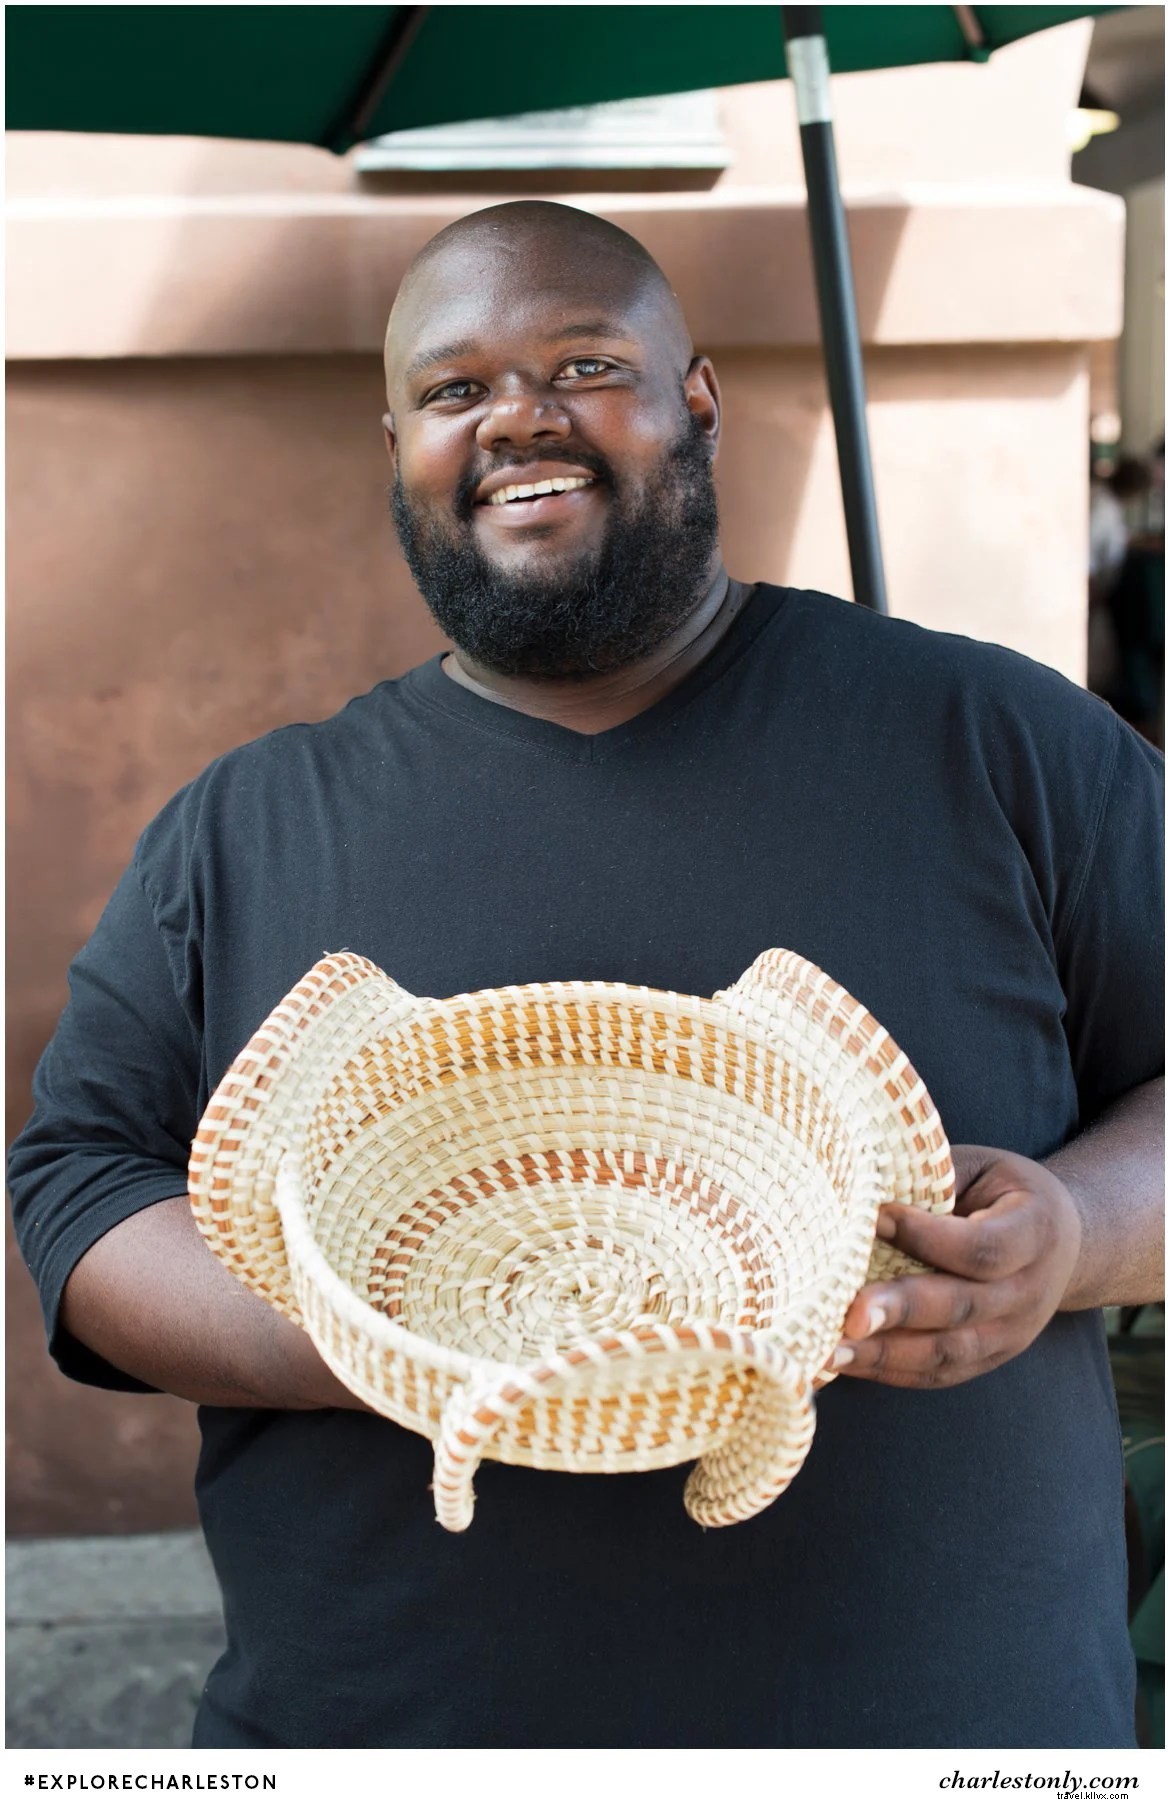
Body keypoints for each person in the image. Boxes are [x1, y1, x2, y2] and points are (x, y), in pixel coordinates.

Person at [8, 201, 1164, 1751]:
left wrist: (1074, 1233)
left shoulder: (996, 745)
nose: (515, 420)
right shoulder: (247, 823)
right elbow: (80, 1189)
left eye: (580, 362)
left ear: (694, 395)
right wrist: (386, 1333)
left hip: (942, 1735)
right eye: (453, 388)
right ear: (398, 439)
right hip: (386, 1744)